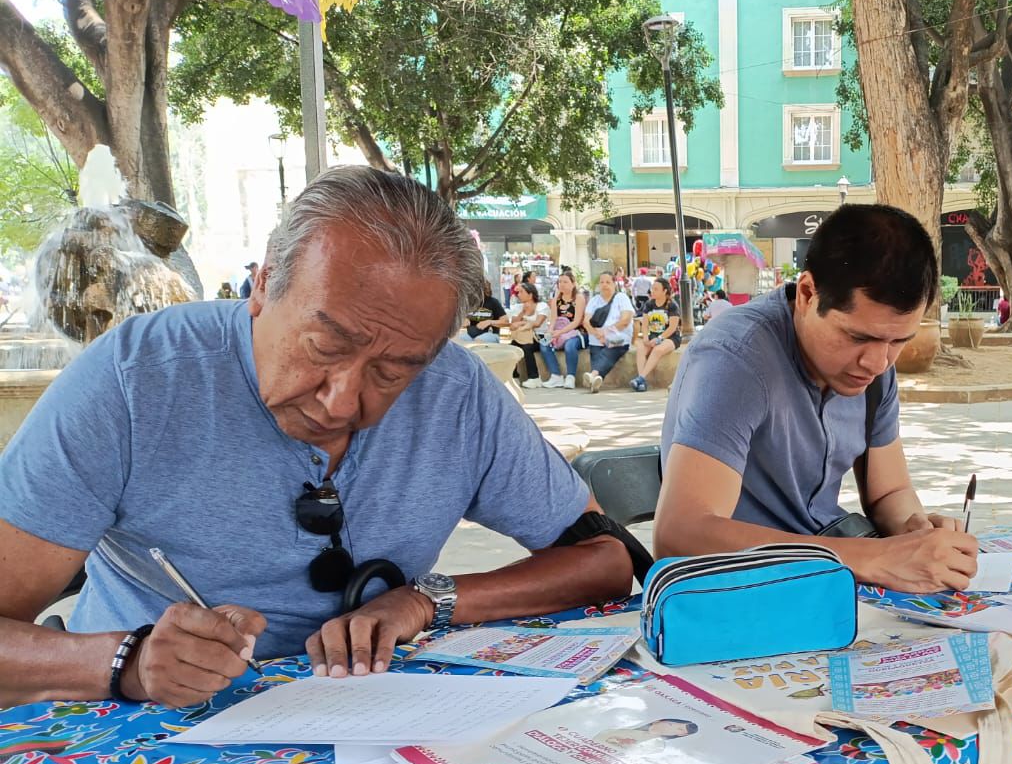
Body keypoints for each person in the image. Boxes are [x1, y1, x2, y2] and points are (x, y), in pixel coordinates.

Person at [0, 166, 633, 710]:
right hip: (139, 731)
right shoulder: (134, 382)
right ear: (265, 284)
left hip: (371, 721)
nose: (342, 401)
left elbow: (605, 560)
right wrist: (126, 661)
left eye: (392, 373)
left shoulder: (454, 391)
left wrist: (427, 601)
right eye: (325, 347)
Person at [655, 204, 979, 594]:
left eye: (898, 341)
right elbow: (679, 534)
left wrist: (917, 532)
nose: (877, 362)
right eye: (858, 337)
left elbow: (889, 492)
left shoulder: (874, 368)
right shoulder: (738, 359)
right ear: (808, 294)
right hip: (745, 591)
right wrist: (876, 559)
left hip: (829, 580)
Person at [580, 270, 636, 392]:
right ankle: (595, 380)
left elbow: (625, 320)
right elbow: (586, 322)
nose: (604, 285)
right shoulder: (594, 300)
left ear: (614, 284)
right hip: (596, 340)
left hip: (619, 339)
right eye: (602, 282)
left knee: (609, 351)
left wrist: (605, 333)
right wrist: (597, 334)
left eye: (608, 282)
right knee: (598, 356)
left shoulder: (622, 298)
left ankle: (593, 374)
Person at [632, 276, 680, 392]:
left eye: (656, 289)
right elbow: (645, 324)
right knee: (641, 349)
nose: (652, 291)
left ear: (664, 291)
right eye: (652, 288)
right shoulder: (649, 304)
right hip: (652, 335)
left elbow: (673, 328)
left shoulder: (672, 305)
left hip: (670, 337)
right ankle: (642, 382)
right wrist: (646, 338)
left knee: (657, 350)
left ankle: (640, 378)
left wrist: (659, 339)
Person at [540, 270, 586, 389]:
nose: (562, 284)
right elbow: (554, 318)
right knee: (544, 344)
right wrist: (550, 331)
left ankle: (571, 377)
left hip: (578, 333)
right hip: (559, 332)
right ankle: (556, 376)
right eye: (560, 282)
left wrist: (560, 332)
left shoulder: (579, 298)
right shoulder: (556, 300)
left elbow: (576, 322)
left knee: (570, 345)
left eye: (565, 282)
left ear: (573, 283)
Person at [507, 282, 549, 387]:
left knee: (527, 347)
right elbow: (513, 324)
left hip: (539, 337)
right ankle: (514, 376)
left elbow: (537, 323)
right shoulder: (518, 307)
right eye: (518, 292)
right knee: (512, 347)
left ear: (530, 295)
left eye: (521, 292)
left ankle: (534, 377)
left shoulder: (541, 306)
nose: (518, 294)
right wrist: (522, 312)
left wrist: (522, 323)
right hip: (522, 336)